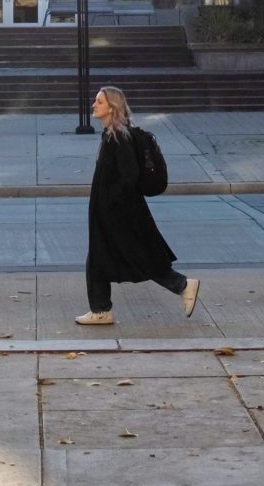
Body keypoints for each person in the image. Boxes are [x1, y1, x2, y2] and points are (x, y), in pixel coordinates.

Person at [74, 86, 199, 326]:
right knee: (104, 258)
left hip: (119, 213)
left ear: (112, 107)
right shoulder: (112, 134)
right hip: (115, 211)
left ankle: (182, 285)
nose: (93, 105)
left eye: (99, 102)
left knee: (137, 257)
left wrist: (110, 202)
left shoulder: (119, 137)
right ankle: (101, 309)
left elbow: (128, 176)